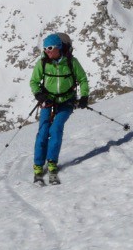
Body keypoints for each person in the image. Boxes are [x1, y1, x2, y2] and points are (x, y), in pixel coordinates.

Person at [29, 33, 89, 184]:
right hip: (47, 101)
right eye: (45, 48)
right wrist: (39, 95)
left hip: (66, 102)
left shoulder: (71, 62)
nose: (47, 51)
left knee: (55, 129)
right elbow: (34, 82)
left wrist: (84, 96)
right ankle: (38, 166)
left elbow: (82, 79)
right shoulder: (42, 63)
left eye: (50, 48)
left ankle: (52, 164)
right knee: (43, 131)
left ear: (58, 47)